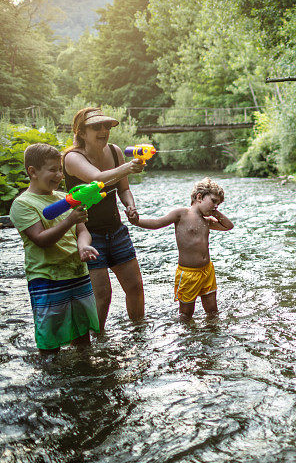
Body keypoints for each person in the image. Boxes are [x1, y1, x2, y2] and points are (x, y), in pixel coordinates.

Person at [9, 143, 101, 354]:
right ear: (32, 171)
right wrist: (70, 220)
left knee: (83, 338)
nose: (59, 175)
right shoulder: (22, 204)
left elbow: (83, 230)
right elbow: (41, 239)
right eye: (53, 170)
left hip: (77, 273)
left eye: (60, 169)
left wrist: (83, 246)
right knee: (50, 343)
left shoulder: (64, 198)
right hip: (47, 279)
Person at [63, 107, 146, 331]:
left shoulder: (115, 151)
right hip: (87, 234)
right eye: (96, 127)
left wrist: (130, 206)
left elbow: (124, 189)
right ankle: (95, 343)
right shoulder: (72, 157)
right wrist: (128, 167)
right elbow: (98, 179)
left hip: (116, 230)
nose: (103, 131)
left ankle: (139, 333)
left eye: (106, 126)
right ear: (81, 132)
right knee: (102, 295)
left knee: (136, 287)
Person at [129, 177, 234, 320]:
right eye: (214, 201)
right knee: (186, 314)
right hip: (188, 273)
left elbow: (228, 226)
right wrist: (137, 221)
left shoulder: (207, 220)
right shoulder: (182, 214)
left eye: (218, 204)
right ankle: (186, 338)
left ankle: (211, 335)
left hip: (207, 271)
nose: (216, 206)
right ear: (199, 197)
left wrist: (214, 211)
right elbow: (156, 223)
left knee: (212, 310)